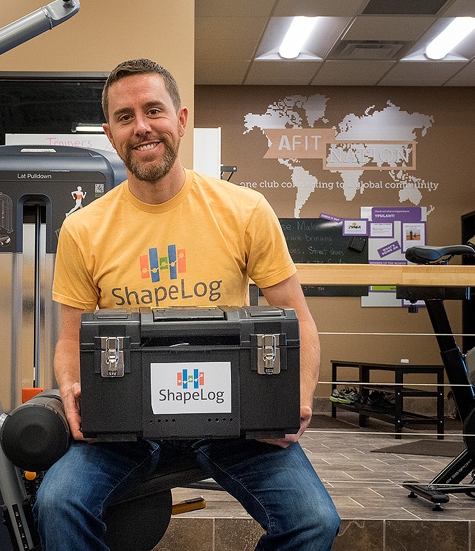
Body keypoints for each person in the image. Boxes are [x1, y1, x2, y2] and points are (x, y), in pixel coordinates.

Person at [34, 58, 339, 550]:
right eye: (126, 117)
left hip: (235, 423)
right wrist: (71, 389)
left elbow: (299, 318)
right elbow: (70, 340)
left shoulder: (245, 210)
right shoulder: (83, 229)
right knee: (57, 503)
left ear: (180, 119)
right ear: (110, 134)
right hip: (127, 426)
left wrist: (297, 400)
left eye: (153, 110)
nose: (142, 127)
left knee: (314, 522)